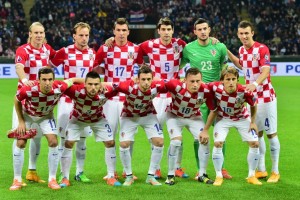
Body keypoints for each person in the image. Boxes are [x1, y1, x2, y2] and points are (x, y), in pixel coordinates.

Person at [10, 68, 82, 190]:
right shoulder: (29, 88)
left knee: (53, 141)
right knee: (21, 142)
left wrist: (97, 84)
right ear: (39, 80)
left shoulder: (60, 86)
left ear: (53, 79)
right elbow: (16, 100)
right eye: (44, 80)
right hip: (27, 115)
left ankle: (52, 179)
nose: (47, 83)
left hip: (45, 116)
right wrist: (21, 121)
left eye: (50, 79)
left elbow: (74, 80)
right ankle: (17, 179)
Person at [227, 20, 280, 183]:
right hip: (252, 97)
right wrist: (226, 51)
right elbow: (241, 65)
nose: (244, 36)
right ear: (238, 34)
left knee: (271, 133)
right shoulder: (242, 50)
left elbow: (266, 70)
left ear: (252, 33)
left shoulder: (262, 48)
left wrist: (255, 84)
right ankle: (262, 170)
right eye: (241, 33)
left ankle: (275, 171)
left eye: (246, 33)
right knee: (257, 133)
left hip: (265, 96)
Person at [180, 18, 231, 179]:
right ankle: (199, 169)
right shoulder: (188, 48)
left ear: (209, 30)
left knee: (219, 133)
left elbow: (225, 67)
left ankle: (221, 168)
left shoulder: (220, 47)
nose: (202, 32)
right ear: (194, 32)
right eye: (199, 29)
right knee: (199, 133)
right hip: (199, 97)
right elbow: (180, 65)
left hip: (217, 95)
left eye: (205, 29)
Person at [137, 17, 188, 179]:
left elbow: (191, 52)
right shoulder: (149, 44)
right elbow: (135, 51)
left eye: (169, 29)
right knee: (156, 133)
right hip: (157, 96)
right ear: (158, 30)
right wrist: (142, 67)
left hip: (175, 95)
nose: (166, 32)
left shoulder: (179, 44)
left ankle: (177, 167)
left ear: (172, 30)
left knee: (178, 133)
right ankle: (157, 168)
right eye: (163, 29)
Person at [51, 22, 98, 183]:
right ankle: (63, 174)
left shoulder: (93, 53)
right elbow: (49, 66)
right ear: (74, 36)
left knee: (82, 138)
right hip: (67, 99)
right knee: (64, 138)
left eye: (86, 35)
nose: (84, 38)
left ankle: (80, 172)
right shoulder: (64, 51)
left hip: (86, 101)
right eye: (81, 35)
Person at [95, 18, 141, 180]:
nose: (121, 33)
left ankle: (127, 170)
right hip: (109, 99)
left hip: (128, 98)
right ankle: (110, 172)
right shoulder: (105, 48)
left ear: (128, 32)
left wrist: (137, 79)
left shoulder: (135, 49)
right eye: (118, 30)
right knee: (109, 135)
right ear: (113, 32)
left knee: (129, 136)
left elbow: (143, 68)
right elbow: (93, 66)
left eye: (124, 30)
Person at [59, 71, 121, 187]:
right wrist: (72, 80)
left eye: (96, 84)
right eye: (90, 84)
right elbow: (60, 84)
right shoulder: (75, 90)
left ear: (100, 84)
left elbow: (124, 86)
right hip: (77, 119)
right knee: (68, 143)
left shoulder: (108, 90)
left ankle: (111, 176)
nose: (93, 88)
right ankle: (65, 178)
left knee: (110, 142)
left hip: (98, 119)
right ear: (85, 84)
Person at [13, 22, 56, 184]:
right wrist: (24, 80)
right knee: (21, 139)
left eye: (41, 32)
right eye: (36, 32)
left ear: (44, 34)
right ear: (30, 34)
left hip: (41, 102)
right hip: (24, 100)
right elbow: (19, 67)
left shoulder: (47, 49)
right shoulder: (22, 50)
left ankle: (32, 171)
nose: (39, 35)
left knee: (37, 139)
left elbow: (60, 56)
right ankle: (16, 179)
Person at [203, 66, 261, 186]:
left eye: (233, 79)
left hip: (242, 118)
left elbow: (253, 105)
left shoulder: (245, 91)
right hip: (223, 119)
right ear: (222, 80)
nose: (231, 82)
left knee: (255, 143)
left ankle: (251, 176)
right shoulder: (215, 87)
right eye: (227, 79)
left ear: (237, 80)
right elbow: (202, 85)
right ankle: (219, 176)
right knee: (218, 143)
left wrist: (253, 121)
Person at [114, 65, 166, 186]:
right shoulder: (127, 86)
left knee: (159, 142)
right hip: (129, 116)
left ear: (152, 79)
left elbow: (172, 85)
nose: (146, 82)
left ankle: (151, 176)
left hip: (148, 115)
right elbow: (111, 86)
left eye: (149, 79)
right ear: (137, 79)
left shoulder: (157, 87)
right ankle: (128, 176)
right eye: (143, 79)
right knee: (124, 144)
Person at [163, 68, 215, 185]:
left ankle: (202, 174)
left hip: (193, 117)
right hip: (174, 116)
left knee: (204, 140)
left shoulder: (206, 90)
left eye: (198, 81)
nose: (195, 84)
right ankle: (171, 175)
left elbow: (213, 109)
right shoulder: (176, 85)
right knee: (176, 142)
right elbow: (158, 83)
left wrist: (206, 130)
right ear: (185, 80)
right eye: (192, 81)